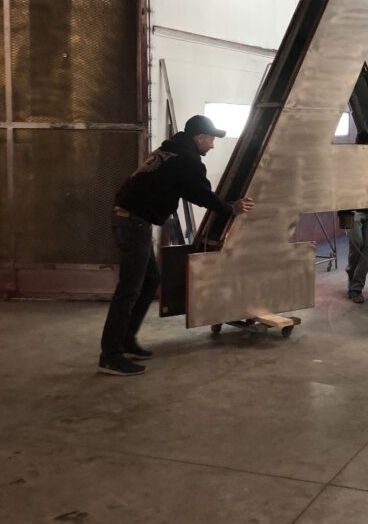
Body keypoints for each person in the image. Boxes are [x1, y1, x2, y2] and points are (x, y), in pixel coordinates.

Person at [99, 114, 254, 376]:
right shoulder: (188, 160)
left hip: (131, 218)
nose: (213, 145)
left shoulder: (168, 149)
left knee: (149, 281)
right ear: (200, 138)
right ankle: (110, 356)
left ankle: (125, 340)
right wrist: (231, 208)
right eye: (211, 140)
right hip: (132, 221)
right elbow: (202, 195)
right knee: (129, 288)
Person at [344, 130, 368, 304]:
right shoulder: (349, 162)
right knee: (357, 246)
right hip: (353, 211)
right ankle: (352, 275)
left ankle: (356, 288)